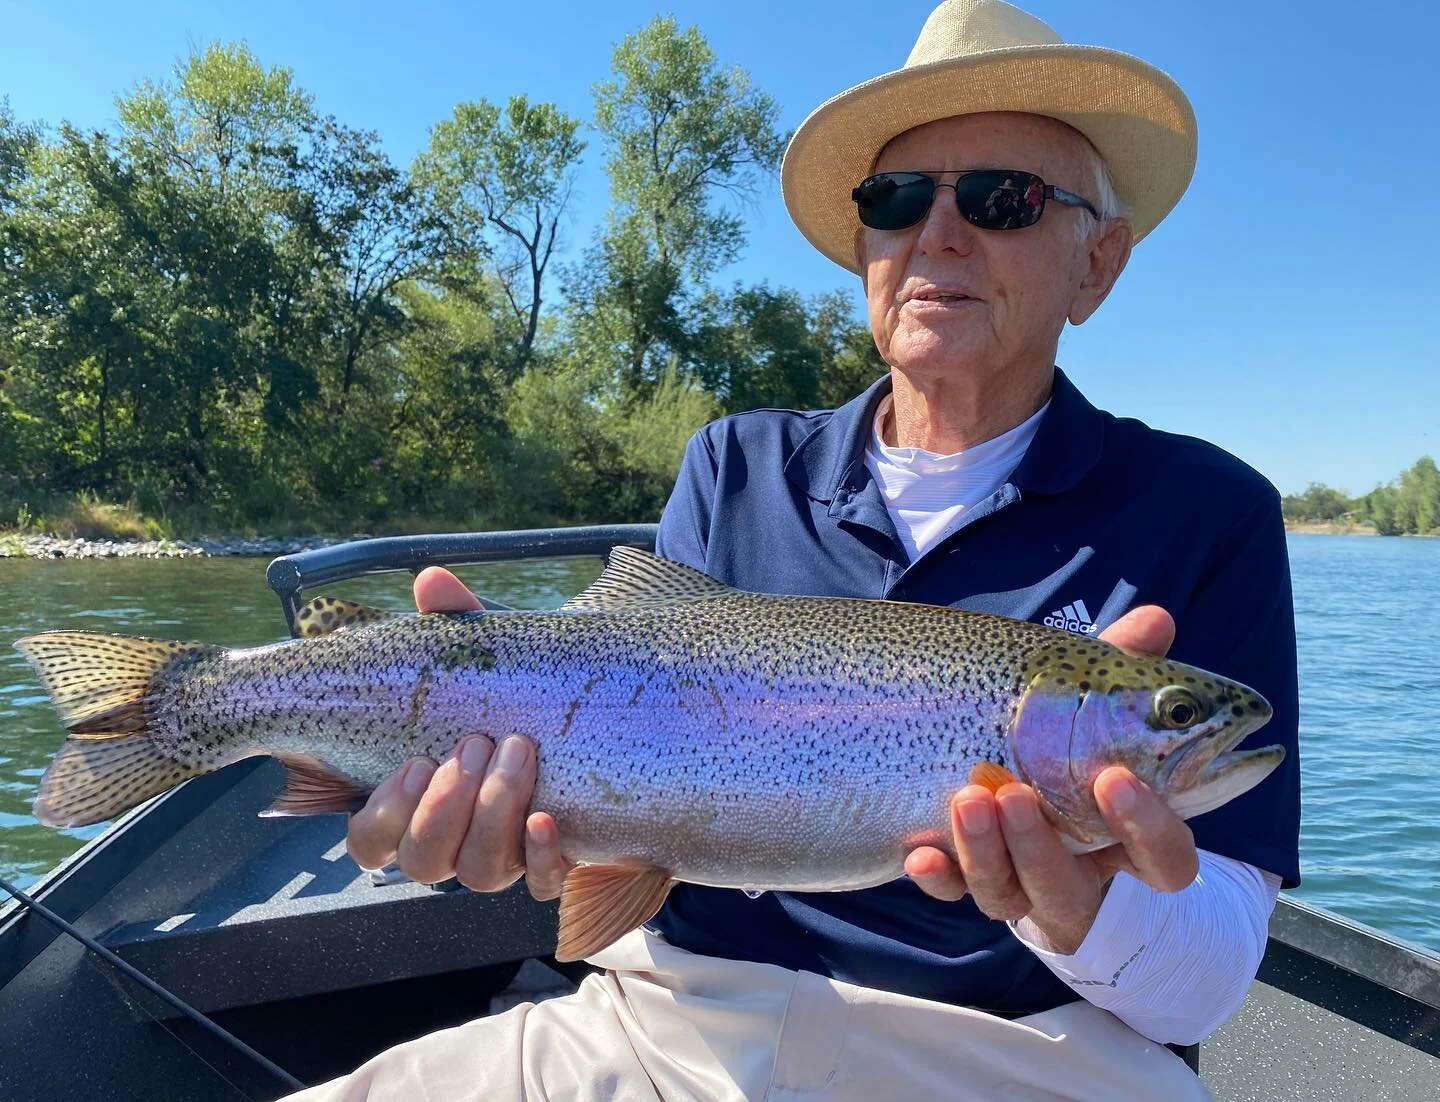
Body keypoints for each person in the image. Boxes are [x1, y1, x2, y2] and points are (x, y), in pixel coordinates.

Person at [289, 1, 1299, 1098]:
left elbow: (1201, 992)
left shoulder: (1208, 510)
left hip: (1022, 1054)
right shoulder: (735, 463)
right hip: (665, 1018)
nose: (939, 233)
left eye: (1004, 200)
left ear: (1097, 263)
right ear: (868, 243)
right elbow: (607, 784)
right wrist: (498, 821)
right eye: (898, 198)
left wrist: (1080, 898)